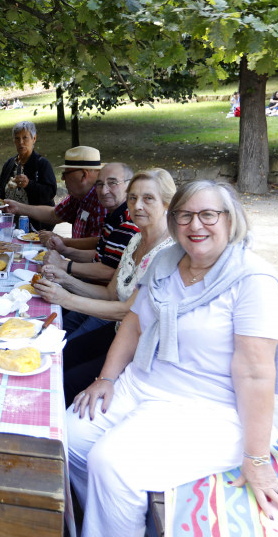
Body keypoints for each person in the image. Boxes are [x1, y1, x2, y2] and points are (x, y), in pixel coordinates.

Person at [66, 180, 278, 536]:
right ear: (173, 221)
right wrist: (107, 379)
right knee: (69, 436)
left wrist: (257, 459)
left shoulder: (254, 281)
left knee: (111, 462)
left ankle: (114, 518)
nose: (195, 225)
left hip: (207, 407)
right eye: (185, 215)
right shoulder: (167, 259)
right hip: (142, 383)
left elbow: (255, 373)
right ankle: (110, 515)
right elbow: (134, 323)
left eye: (208, 215)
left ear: (231, 219)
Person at [35, 169, 175, 405]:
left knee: (66, 381)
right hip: (117, 331)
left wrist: (65, 298)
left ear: (167, 204)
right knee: (58, 358)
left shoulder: (169, 252)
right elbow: (111, 293)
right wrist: (64, 278)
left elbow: (128, 311)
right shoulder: (136, 240)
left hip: (143, 348)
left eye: (148, 198)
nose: (138, 205)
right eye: (133, 198)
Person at [40, 163, 139, 285]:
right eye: (99, 184)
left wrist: (64, 264)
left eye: (112, 183)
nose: (103, 191)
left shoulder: (128, 220)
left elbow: (108, 271)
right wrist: (64, 250)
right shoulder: (114, 214)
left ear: (129, 186)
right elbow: (100, 255)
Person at [5, 146, 106, 240]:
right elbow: (54, 214)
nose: (62, 178)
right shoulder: (79, 195)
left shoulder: (103, 200)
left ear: (84, 175)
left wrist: (61, 241)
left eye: (65, 173)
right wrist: (18, 207)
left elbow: (96, 245)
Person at [0, 121, 57, 230]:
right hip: (11, 223)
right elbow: (0, 188)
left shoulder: (41, 164)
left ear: (34, 139)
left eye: (25, 138)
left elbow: (50, 193)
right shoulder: (10, 163)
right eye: (17, 138)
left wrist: (29, 184)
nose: (21, 142)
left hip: (35, 225)